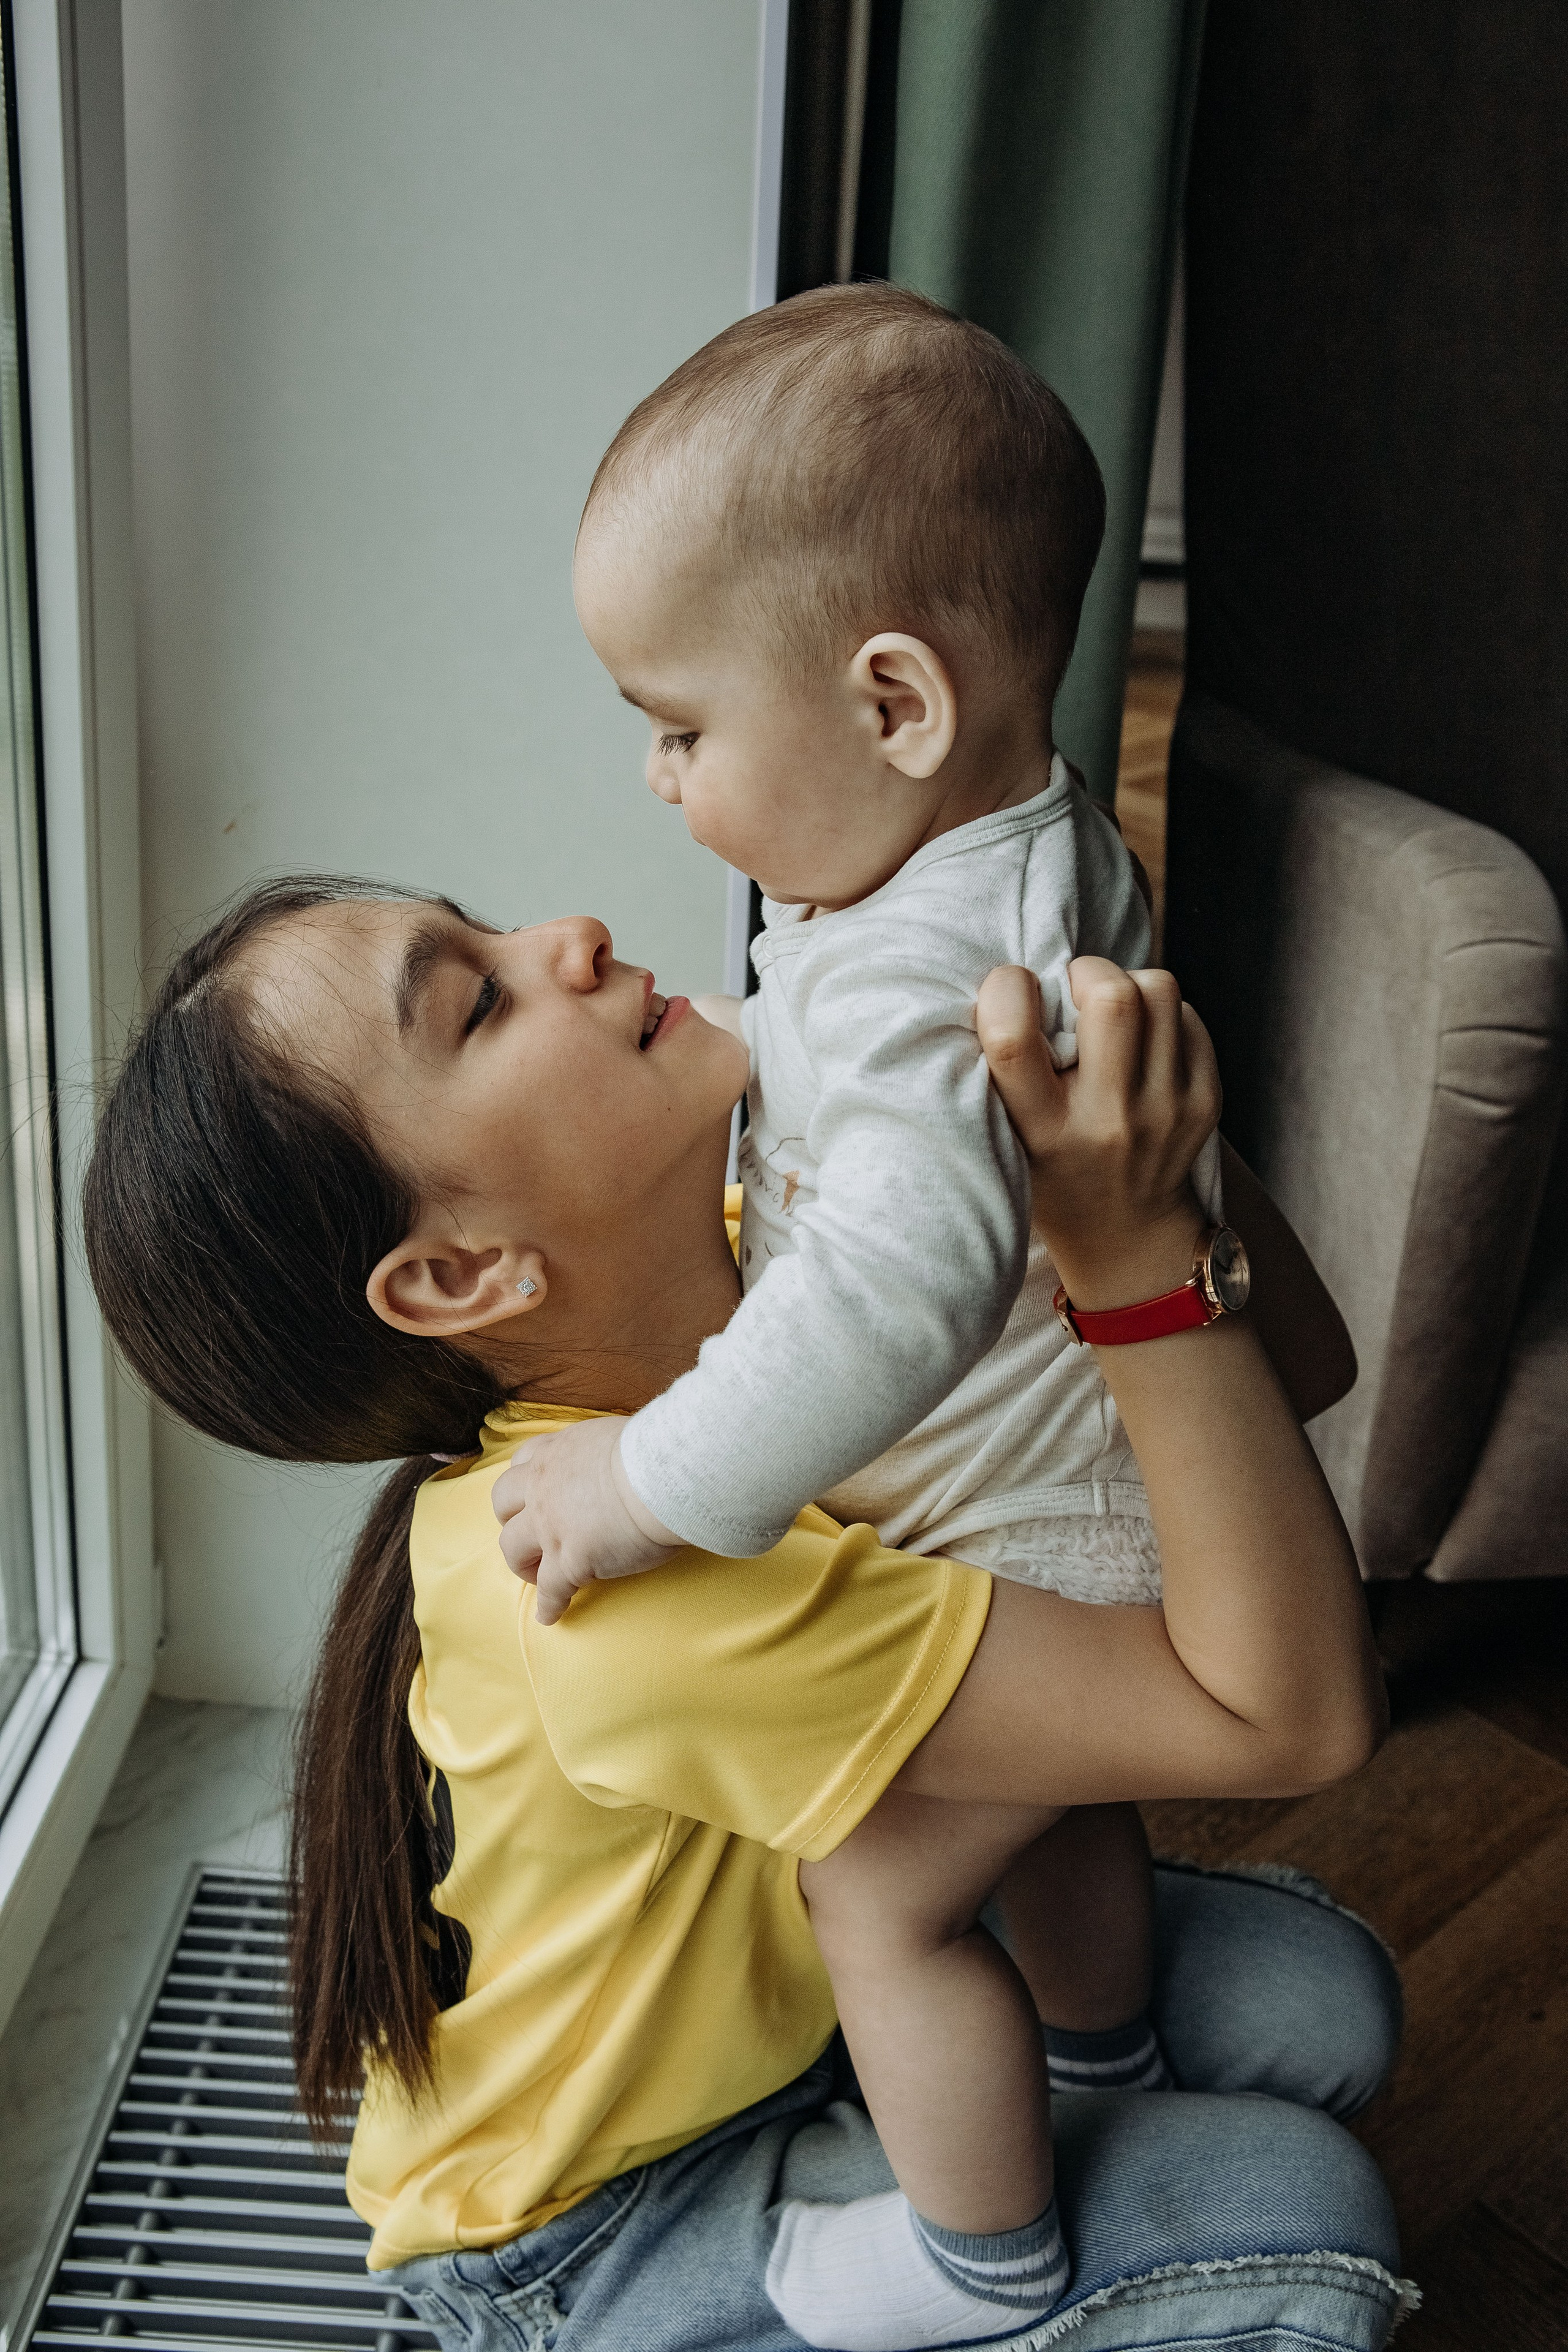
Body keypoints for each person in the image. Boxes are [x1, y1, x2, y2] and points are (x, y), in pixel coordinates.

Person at [82, 876, 1412, 2351]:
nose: (570, 935)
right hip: (604, 2226)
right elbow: (1292, 1718)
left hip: (811, 2007)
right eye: (480, 1000)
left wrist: (1109, 1112)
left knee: (1328, 2007)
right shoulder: (619, 1601)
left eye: (490, 927)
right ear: (461, 1274)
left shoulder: (813, 1279)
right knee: (1310, 2216)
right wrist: (1132, 1247)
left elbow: (1299, 1366)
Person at [491, 284, 1252, 2333]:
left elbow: (898, 1292)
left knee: (884, 1894)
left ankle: (980, 2258)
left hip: (1030, 1532)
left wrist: (649, 1480)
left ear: (894, 704)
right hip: (1088, 1497)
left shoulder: (925, 972)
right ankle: (1111, 2068)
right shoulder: (1010, 847)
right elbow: (901, 1129)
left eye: (681, 724)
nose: (660, 778)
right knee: (1057, 1830)